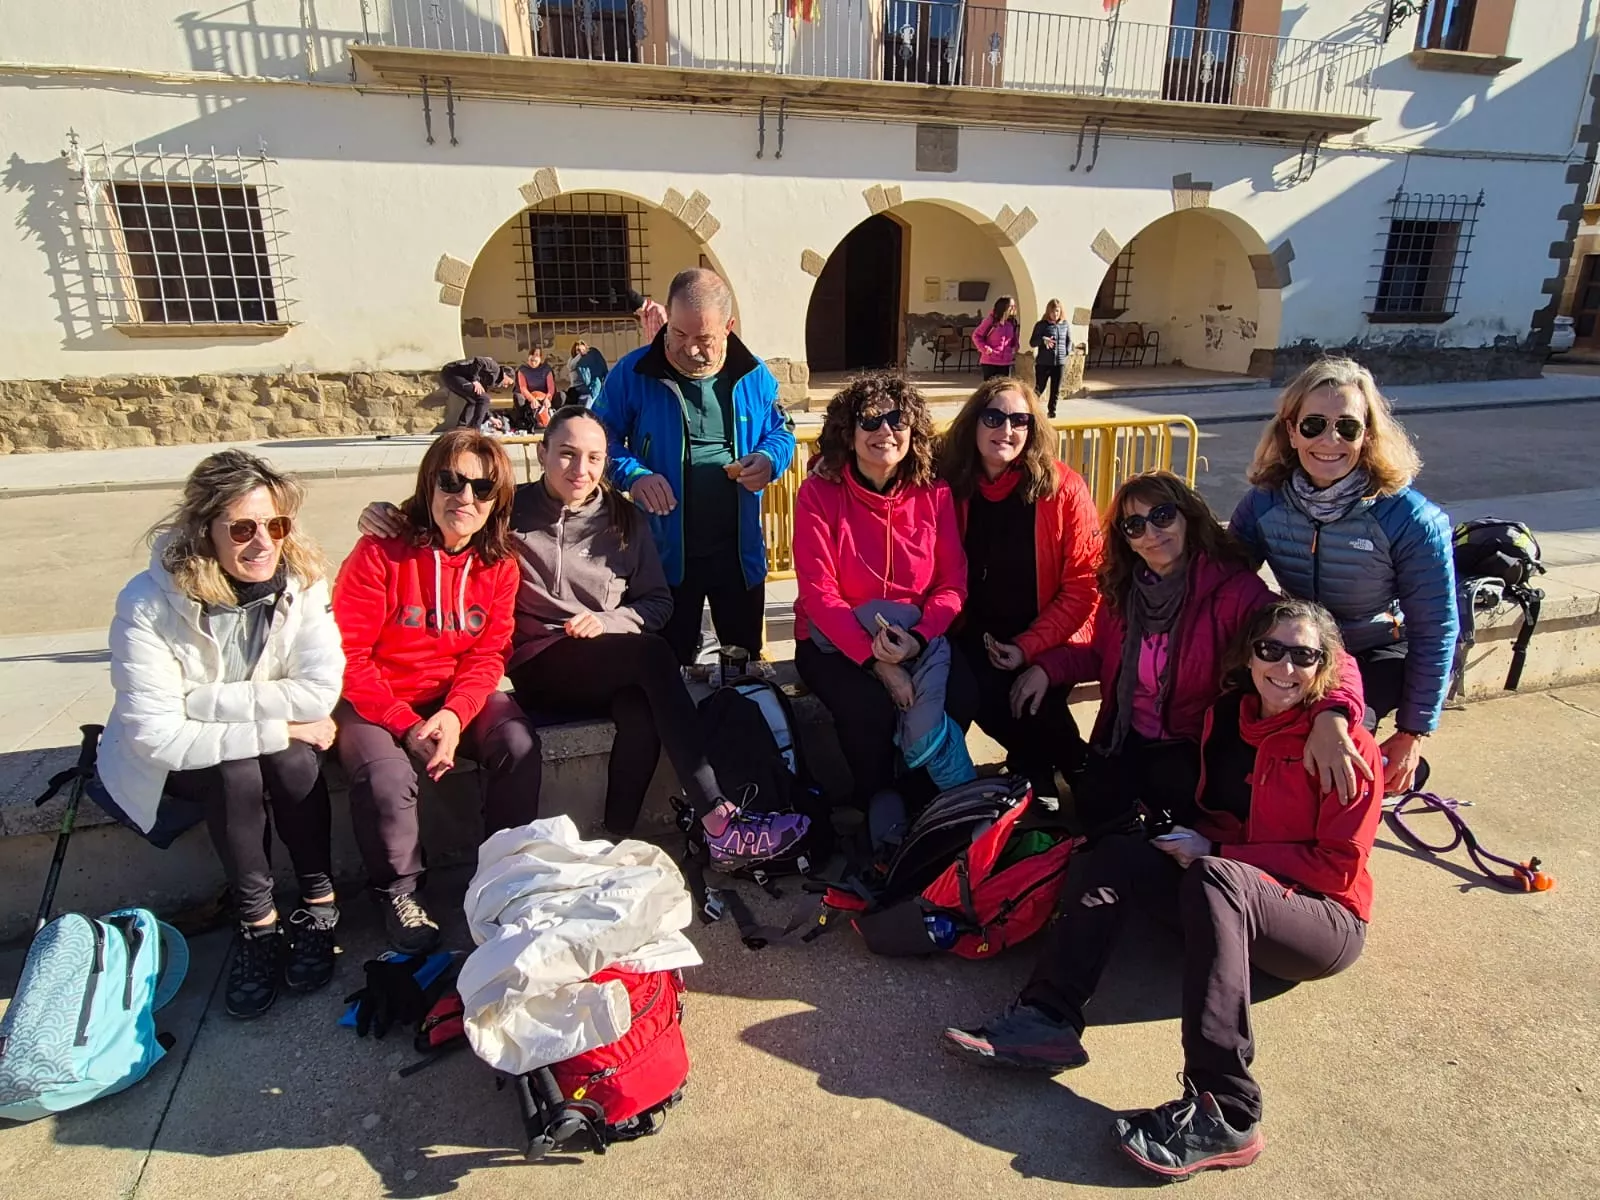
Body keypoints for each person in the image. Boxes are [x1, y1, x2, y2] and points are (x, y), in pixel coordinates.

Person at [945, 599, 1383, 1183]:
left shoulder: (1345, 747)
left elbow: (1337, 869)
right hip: (1225, 894)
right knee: (1116, 850)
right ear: (1249, 656)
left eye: (1304, 655)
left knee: (1215, 876)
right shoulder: (1226, 718)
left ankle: (1227, 1108)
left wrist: (1219, 855)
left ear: (1325, 666)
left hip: (1318, 920)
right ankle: (1047, 1017)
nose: (1285, 667)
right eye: (1271, 649)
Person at [359, 407, 792, 856]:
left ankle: (615, 839)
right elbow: (445, 513)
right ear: (542, 452)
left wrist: (606, 621)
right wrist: (382, 514)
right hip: (541, 661)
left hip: (610, 660)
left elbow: (657, 602)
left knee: (641, 709)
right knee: (654, 655)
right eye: (566, 454)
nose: (579, 470)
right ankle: (717, 816)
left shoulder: (625, 519)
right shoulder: (507, 510)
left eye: (593, 458)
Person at [99, 450, 344, 1020]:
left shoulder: (302, 580)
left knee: (291, 763)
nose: (263, 543)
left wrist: (202, 702)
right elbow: (159, 736)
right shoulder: (147, 602)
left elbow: (317, 694)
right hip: (182, 761)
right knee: (238, 769)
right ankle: (257, 923)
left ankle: (319, 904)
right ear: (204, 530)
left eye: (275, 525)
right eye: (242, 528)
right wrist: (277, 723)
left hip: (239, 736)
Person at [1008, 471, 1369, 837]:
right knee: (1096, 814)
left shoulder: (1233, 591)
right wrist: (1047, 668)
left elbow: (1327, 653)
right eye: (1135, 525)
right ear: (1126, 540)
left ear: (1187, 517)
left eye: (1162, 516)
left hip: (1193, 746)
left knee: (1169, 829)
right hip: (1127, 735)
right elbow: (1101, 656)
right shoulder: (1124, 592)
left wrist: (1333, 716)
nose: (1151, 533)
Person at [332, 429, 540, 955]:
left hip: (451, 697)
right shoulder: (380, 550)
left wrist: (454, 715)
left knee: (517, 742)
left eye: (482, 487)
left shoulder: (500, 563)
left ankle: (503, 873)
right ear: (430, 483)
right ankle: (398, 893)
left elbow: (488, 654)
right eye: (452, 481)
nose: (465, 497)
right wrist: (404, 723)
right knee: (386, 775)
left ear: (497, 501)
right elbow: (348, 658)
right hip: (376, 699)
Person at [1230, 357, 1456, 795]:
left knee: (1334, 746)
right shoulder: (1265, 502)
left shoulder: (1409, 518)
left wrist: (1412, 733)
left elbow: (1436, 629)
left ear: (1368, 435)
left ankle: (1371, 781)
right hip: (1300, 646)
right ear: (1291, 431)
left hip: (1380, 650)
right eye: (1313, 425)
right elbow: (1225, 579)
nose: (1329, 440)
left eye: (1347, 427)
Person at [793, 372, 977, 808]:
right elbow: (820, 594)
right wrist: (877, 661)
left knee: (965, 691)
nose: (885, 432)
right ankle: (874, 807)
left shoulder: (934, 493)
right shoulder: (818, 493)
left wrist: (917, 640)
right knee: (869, 709)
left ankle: (922, 803)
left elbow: (952, 584)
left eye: (897, 420)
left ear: (913, 431)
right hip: (835, 641)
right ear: (848, 430)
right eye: (870, 420)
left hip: (914, 634)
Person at [595, 268, 796, 667]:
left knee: (744, 664)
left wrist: (771, 459)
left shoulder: (754, 374)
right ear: (667, 318)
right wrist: (634, 475)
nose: (689, 349)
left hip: (738, 554)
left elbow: (782, 430)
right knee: (667, 668)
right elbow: (599, 439)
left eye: (704, 339)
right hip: (664, 555)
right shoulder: (634, 372)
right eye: (679, 334)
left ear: (728, 328)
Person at [937, 376, 1100, 795]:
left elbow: (1084, 587)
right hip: (972, 631)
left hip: (1052, 633)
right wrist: (826, 463)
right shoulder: (947, 482)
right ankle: (1061, 770)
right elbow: (878, 460)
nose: (1005, 430)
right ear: (973, 422)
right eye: (993, 416)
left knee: (1029, 696)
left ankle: (1048, 774)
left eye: (1019, 420)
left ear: (1032, 429)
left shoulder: (1064, 489)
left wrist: (1030, 648)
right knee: (972, 688)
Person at [440, 355, 516, 431]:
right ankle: (476, 430)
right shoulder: (495, 367)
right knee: (484, 398)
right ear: (505, 375)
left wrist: (491, 418)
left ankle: (461, 428)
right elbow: (479, 360)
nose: (506, 386)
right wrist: (475, 380)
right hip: (452, 373)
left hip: (452, 375)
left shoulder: (489, 381)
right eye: (508, 383)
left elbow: (482, 405)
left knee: (475, 400)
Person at [1028, 298, 1073, 418]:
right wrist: (1043, 340)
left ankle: (1052, 411)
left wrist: (1066, 352)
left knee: (1055, 389)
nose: (1055, 314)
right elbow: (1032, 342)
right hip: (1044, 362)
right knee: (1040, 387)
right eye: (1053, 311)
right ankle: (1031, 408)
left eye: (1057, 311)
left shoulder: (1065, 325)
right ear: (1048, 312)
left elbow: (1069, 341)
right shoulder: (1041, 325)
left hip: (1059, 363)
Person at [972, 295, 1021, 381]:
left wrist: (1015, 348)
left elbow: (1013, 339)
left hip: (1006, 362)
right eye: (1011, 306)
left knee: (1003, 388)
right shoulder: (991, 321)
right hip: (990, 361)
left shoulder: (1012, 322)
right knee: (991, 389)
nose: (1013, 308)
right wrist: (986, 349)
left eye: (1014, 306)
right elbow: (976, 335)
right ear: (1004, 307)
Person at [511, 346, 557, 432]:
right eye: (531, 357)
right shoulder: (522, 370)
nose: (533, 361)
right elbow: (523, 388)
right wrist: (532, 399)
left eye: (536, 356)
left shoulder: (547, 369)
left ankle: (553, 419)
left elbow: (551, 387)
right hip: (529, 396)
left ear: (541, 359)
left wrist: (547, 399)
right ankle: (524, 421)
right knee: (518, 397)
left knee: (560, 397)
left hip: (543, 396)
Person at [565, 339, 609, 407]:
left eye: (583, 350)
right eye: (578, 350)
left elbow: (601, 368)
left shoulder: (590, 359)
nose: (581, 352)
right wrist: (580, 356)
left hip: (590, 390)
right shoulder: (573, 361)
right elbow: (571, 365)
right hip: (577, 392)